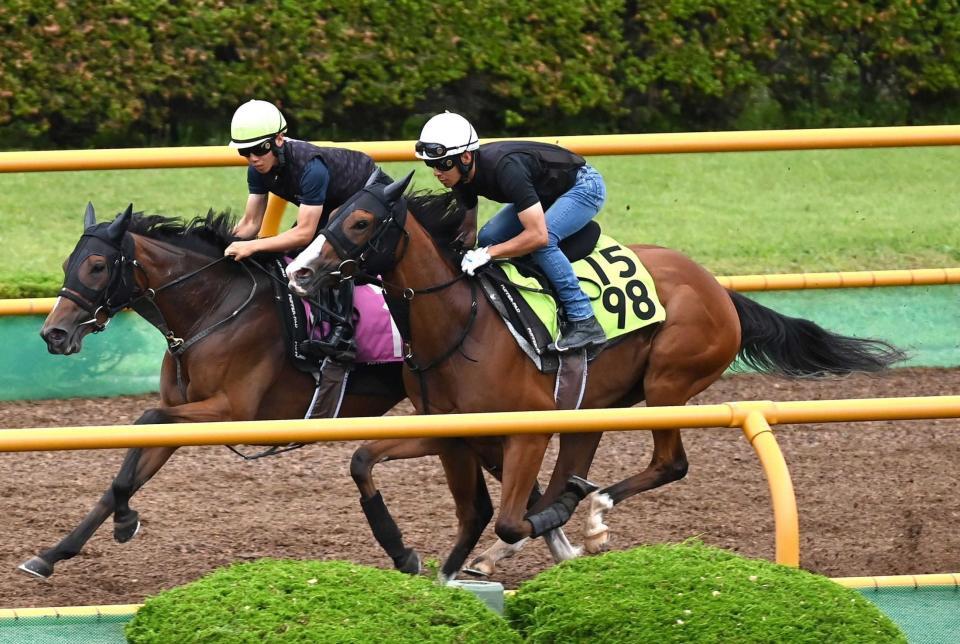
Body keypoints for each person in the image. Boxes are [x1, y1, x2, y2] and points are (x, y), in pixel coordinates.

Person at [414, 111, 607, 351]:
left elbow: (537, 235)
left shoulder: (505, 168)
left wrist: (487, 254)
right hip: (545, 194)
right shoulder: (461, 178)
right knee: (489, 238)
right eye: (431, 165)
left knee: (543, 244)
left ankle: (584, 320)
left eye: (442, 164)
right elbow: (471, 235)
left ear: (465, 157)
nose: (436, 172)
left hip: (583, 186)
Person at [225, 99, 389, 359]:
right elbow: (250, 224)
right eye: (245, 152)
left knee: (322, 250)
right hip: (335, 203)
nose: (253, 159)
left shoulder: (310, 167)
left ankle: (342, 334)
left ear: (279, 139)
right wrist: (223, 247)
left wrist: (253, 245)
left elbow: (304, 232)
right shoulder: (257, 169)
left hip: (366, 192)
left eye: (259, 149)